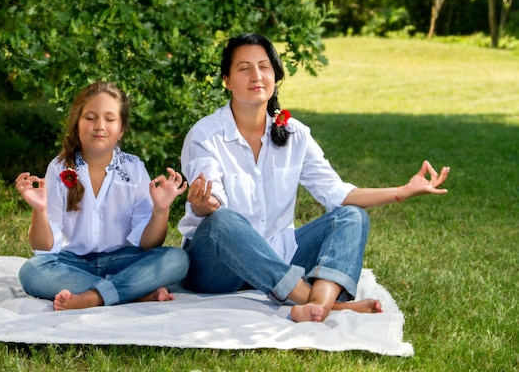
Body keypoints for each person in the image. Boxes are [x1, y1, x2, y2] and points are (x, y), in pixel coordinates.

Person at [178, 33, 450, 323]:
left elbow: (337, 193)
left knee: (351, 217)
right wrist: (203, 204)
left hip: (279, 256)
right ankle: (324, 303)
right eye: (244, 68)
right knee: (223, 220)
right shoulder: (206, 134)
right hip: (217, 269)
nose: (256, 76)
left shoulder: (294, 133)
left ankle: (316, 307)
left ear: (275, 74)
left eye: (264, 66)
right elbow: (212, 203)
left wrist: (402, 191)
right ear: (227, 80)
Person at [15, 80, 189, 311]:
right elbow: (43, 246)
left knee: (177, 260)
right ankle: (133, 292)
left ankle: (92, 298)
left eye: (109, 119)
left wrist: (160, 210)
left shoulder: (134, 169)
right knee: (32, 272)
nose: (99, 126)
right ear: (77, 123)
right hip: (72, 265)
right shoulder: (58, 169)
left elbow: (149, 244)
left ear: (122, 129)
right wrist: (40, 210)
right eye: (90, 117)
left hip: (123, 261)